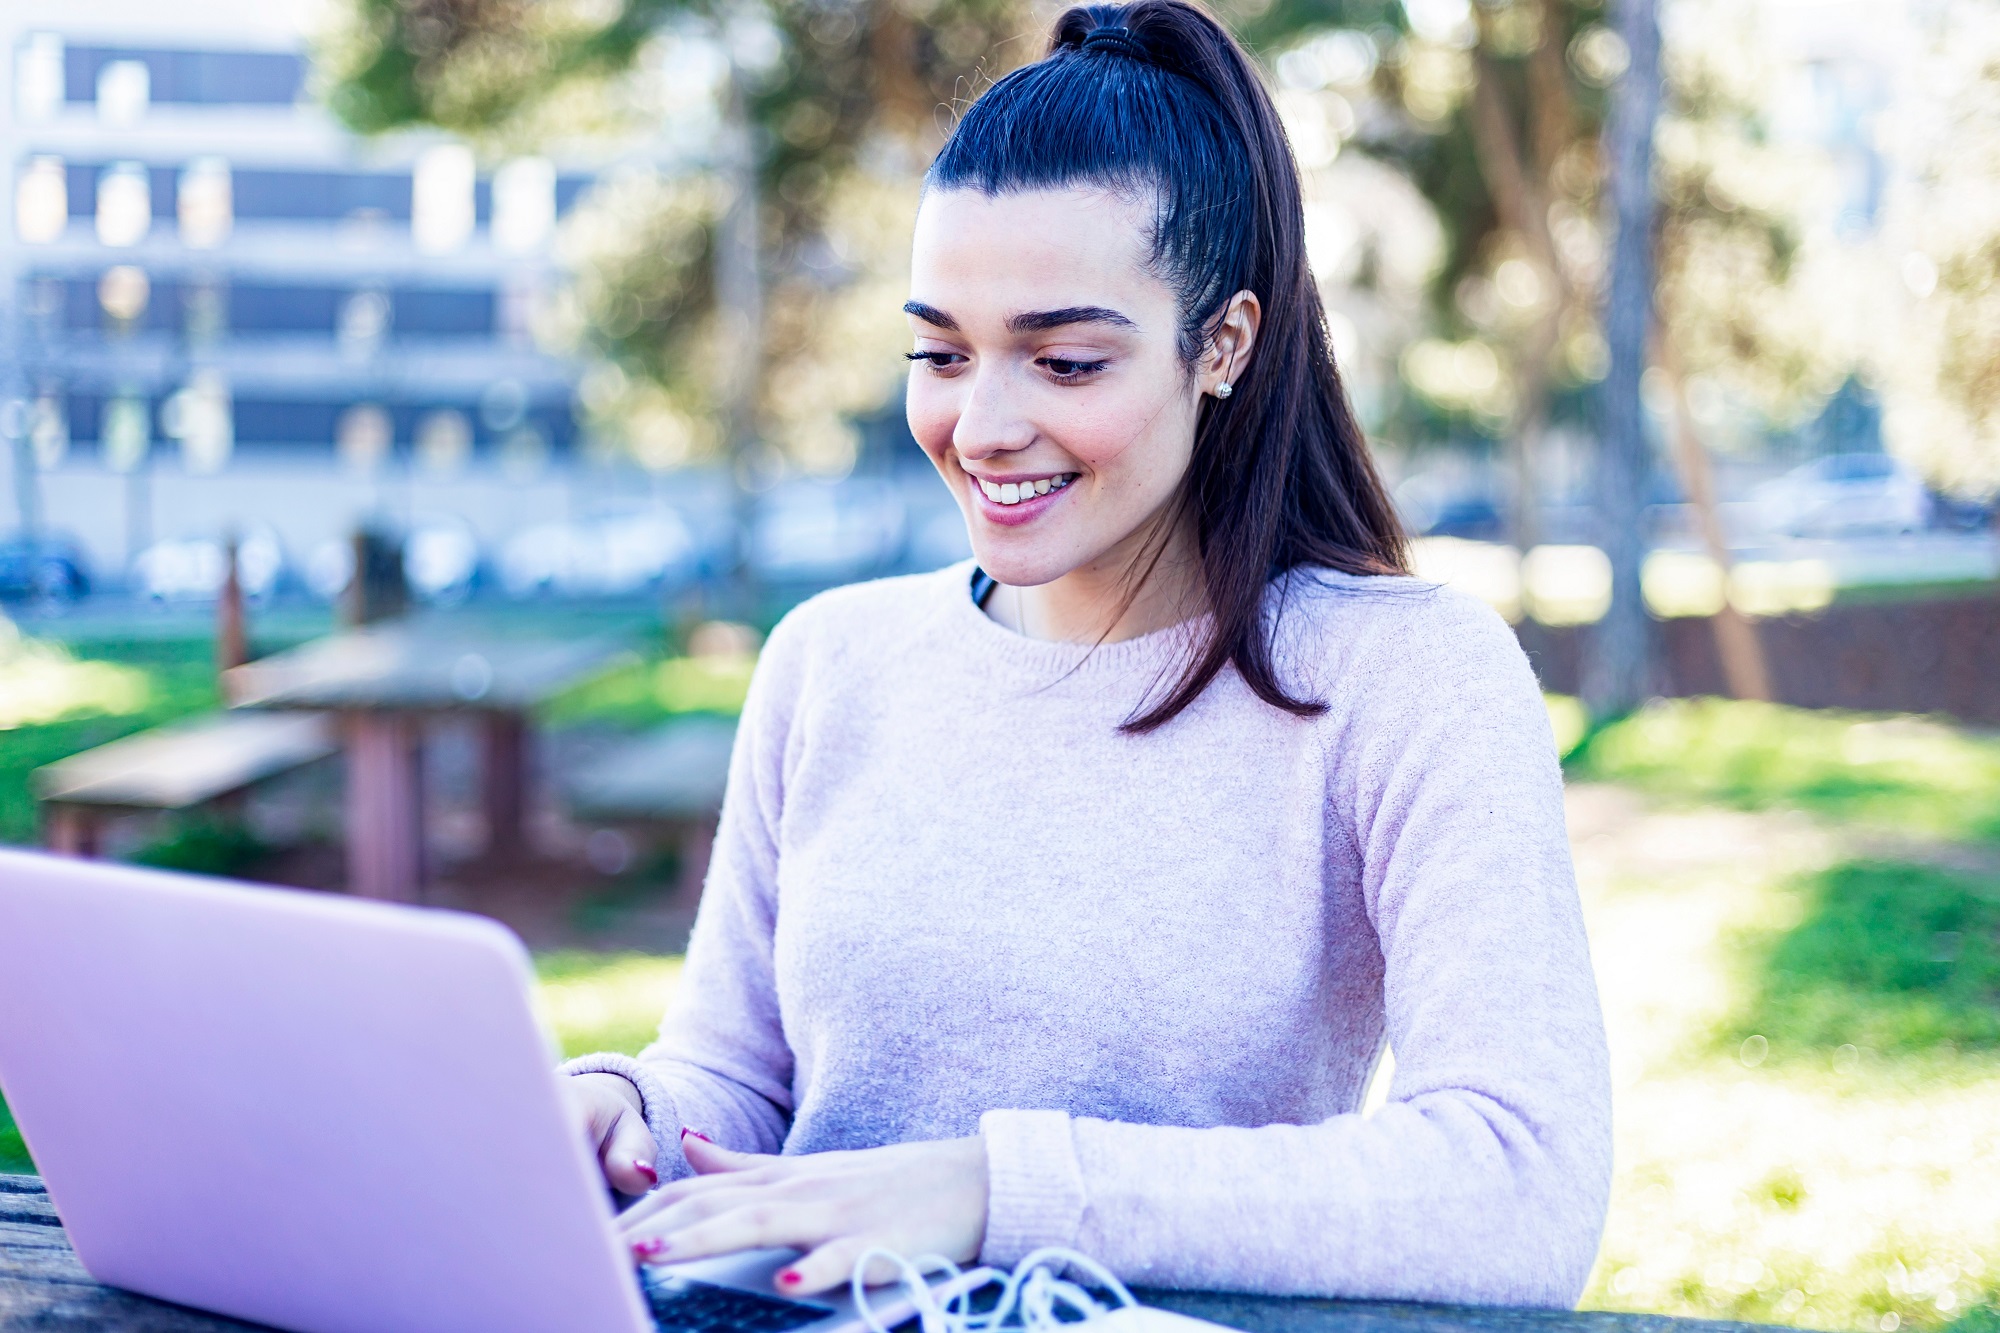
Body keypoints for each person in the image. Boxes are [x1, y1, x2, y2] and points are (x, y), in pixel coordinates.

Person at [560, 0, 1610, 1307]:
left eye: (1062, 360)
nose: (984, 424)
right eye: (938, 352)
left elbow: (1521, 1182)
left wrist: (999, 1193)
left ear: (1222, 342)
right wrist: (622, 1109)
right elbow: (738, 1087)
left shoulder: (1402, 676)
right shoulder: (830, 660)